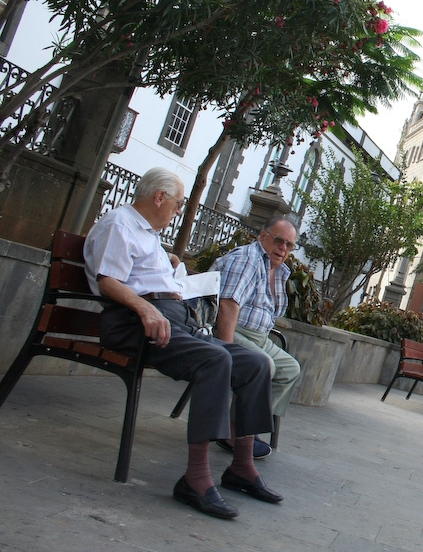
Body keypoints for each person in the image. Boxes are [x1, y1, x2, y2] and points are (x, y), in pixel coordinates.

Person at [84, 168, 281, 519]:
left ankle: (241, 465)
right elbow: (108, 281)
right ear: (159, 197)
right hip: (136, 324)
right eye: (178, 204)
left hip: (172, 321)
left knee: (255, 364)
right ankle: (196, 479)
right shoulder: (120, 224)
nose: (179, 210)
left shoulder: (148, 235)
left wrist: (171, 268)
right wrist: (146, 308)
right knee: (216, 360)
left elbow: (145, 276)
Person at [211, 215, 302, 460]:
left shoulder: (278, 270)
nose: (283, 248)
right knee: (263, 364)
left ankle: (247, 428)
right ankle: (234, 434)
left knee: (289, 369)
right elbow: (228, 306)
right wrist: (226, 350)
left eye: (289, 245)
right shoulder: (248, 259)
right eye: (279, 240)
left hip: (260, 337)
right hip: (231, 330)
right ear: (263, 236)